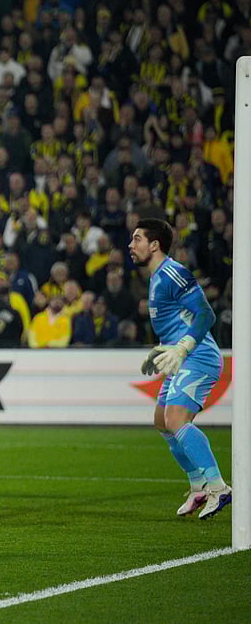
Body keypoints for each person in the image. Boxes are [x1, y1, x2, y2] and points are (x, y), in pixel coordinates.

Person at [131, 218, 231, 520]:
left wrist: (183, 347)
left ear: (154, 245)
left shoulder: (173, 272)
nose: (130, 245)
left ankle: (218, 487)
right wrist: (162, 348)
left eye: (137, 239)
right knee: (162, 422)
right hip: (179, 357)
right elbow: (179, 321)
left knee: (175, 419)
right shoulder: (156, 278)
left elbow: (206, 314)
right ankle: (198, 486)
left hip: (198, 355)